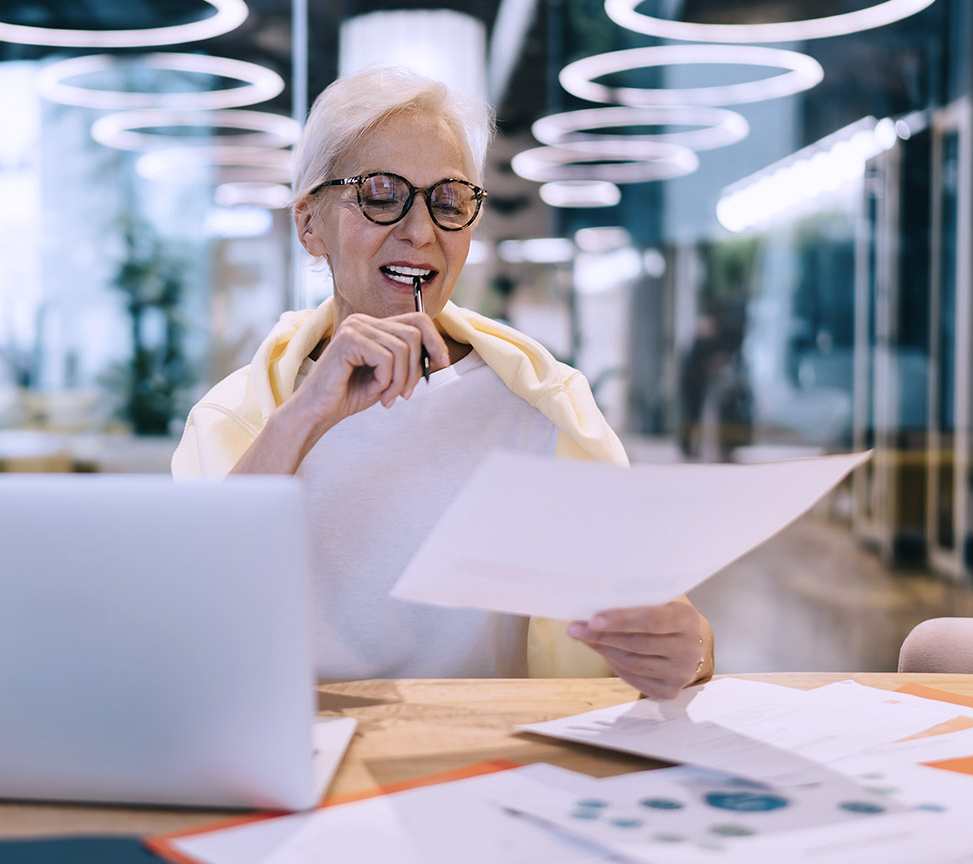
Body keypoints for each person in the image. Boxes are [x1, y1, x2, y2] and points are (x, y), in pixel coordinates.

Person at [171, 67, 713, 699]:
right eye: (380, 194)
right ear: (309, 224)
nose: (421, 230)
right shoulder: (237, 415)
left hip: (489, 766)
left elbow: (668, 627)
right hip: (293, 758)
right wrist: (301, 418)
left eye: (448, 200)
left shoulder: (540, 404)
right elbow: (187, 616)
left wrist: (689, 648)